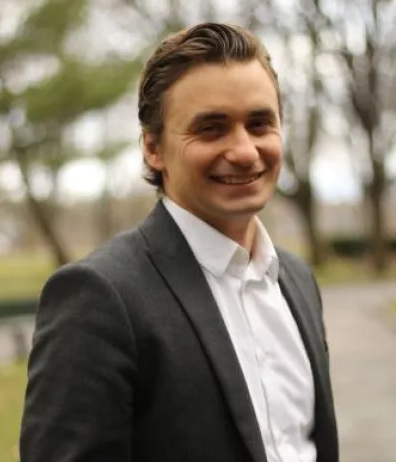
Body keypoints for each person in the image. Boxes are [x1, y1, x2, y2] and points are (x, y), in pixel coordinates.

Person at [20, 22, 338, 462]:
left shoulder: (297, 279)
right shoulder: (98, 297)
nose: (245, 151)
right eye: (211, 128)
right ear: (153, 148)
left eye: (259, 123)